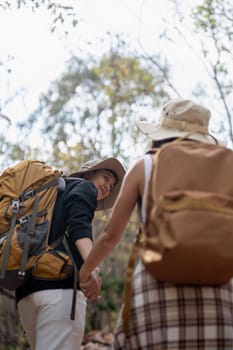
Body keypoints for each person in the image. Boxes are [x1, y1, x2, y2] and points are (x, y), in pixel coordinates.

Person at [79, 99, 233, 349]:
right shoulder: (228, 169)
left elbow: (110, 236)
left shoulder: (147, 165)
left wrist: (85, 273)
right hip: (220, 292)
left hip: (155, 286)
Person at [15, 157, 125, 350]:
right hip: (60, 289)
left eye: (111, 184)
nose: (107, 186)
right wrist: (92, 268)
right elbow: (79, 228)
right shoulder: (85, 188)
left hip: (27, 293)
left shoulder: (52, 196)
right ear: (89, 173)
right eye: (105, 177)